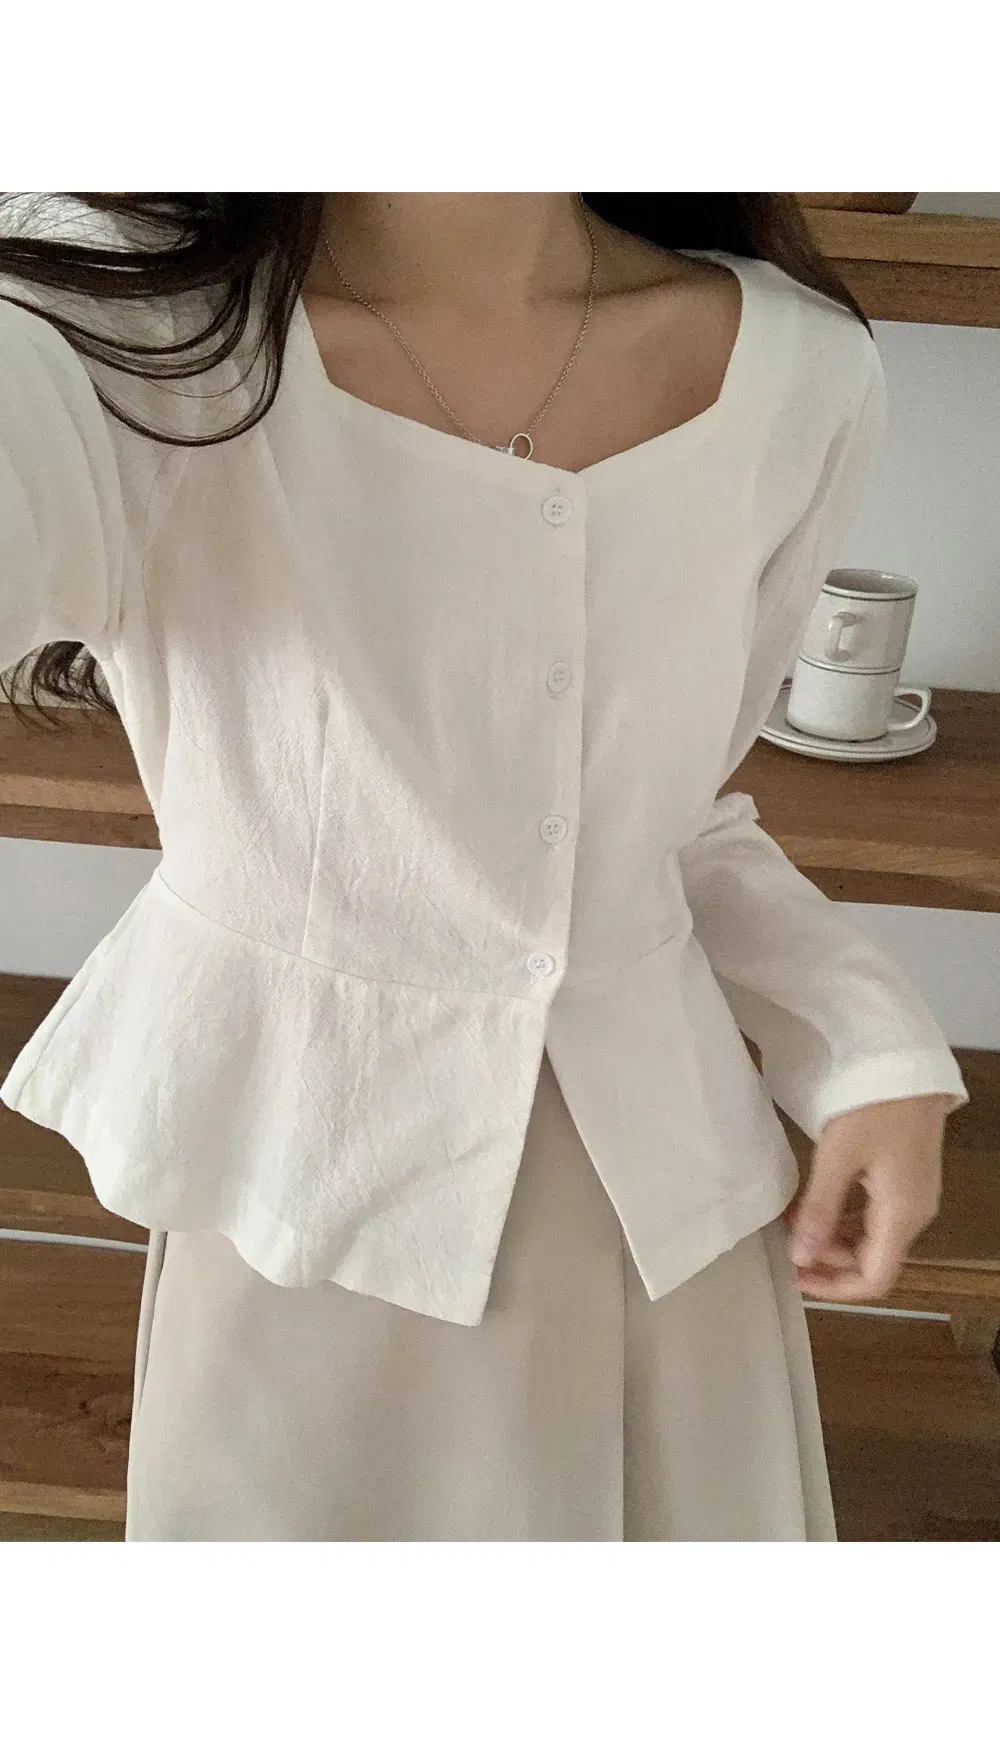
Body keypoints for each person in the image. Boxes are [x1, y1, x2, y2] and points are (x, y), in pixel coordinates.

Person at [1, 192, 965, 1538]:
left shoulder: (799, 373)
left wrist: (867, 1049)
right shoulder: (115, 342)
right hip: (306, 1208)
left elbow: (667, 822)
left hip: (663, 1217)